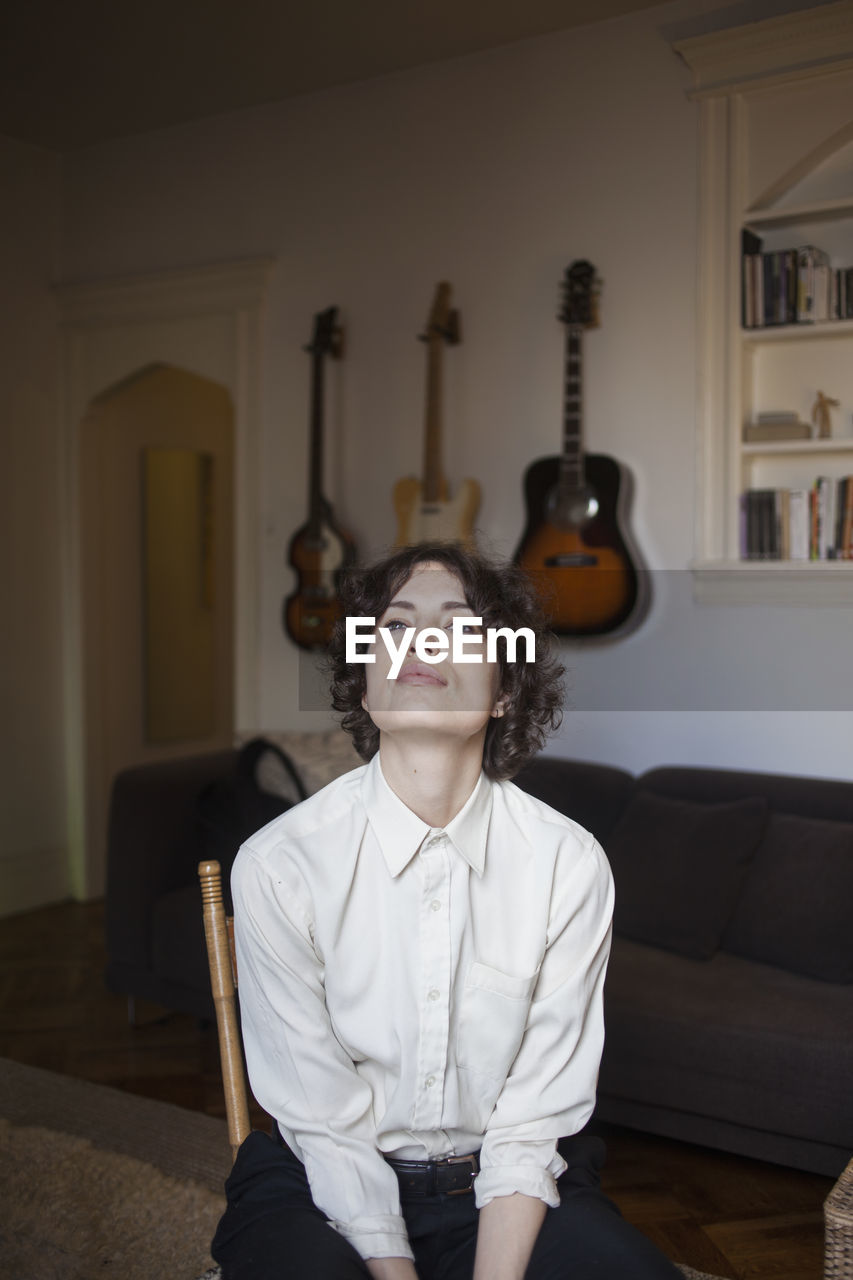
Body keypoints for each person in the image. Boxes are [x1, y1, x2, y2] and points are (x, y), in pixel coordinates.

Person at [212, 542, 682, 1280]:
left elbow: (530, 1123)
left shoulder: (567, 864)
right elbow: (324, 1123)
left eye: (460, 627)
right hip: (316, 1180)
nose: (423, 642)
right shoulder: (280, 865)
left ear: (503, 692)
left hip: (503, 1185)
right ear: (365, 685)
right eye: (394, 627)